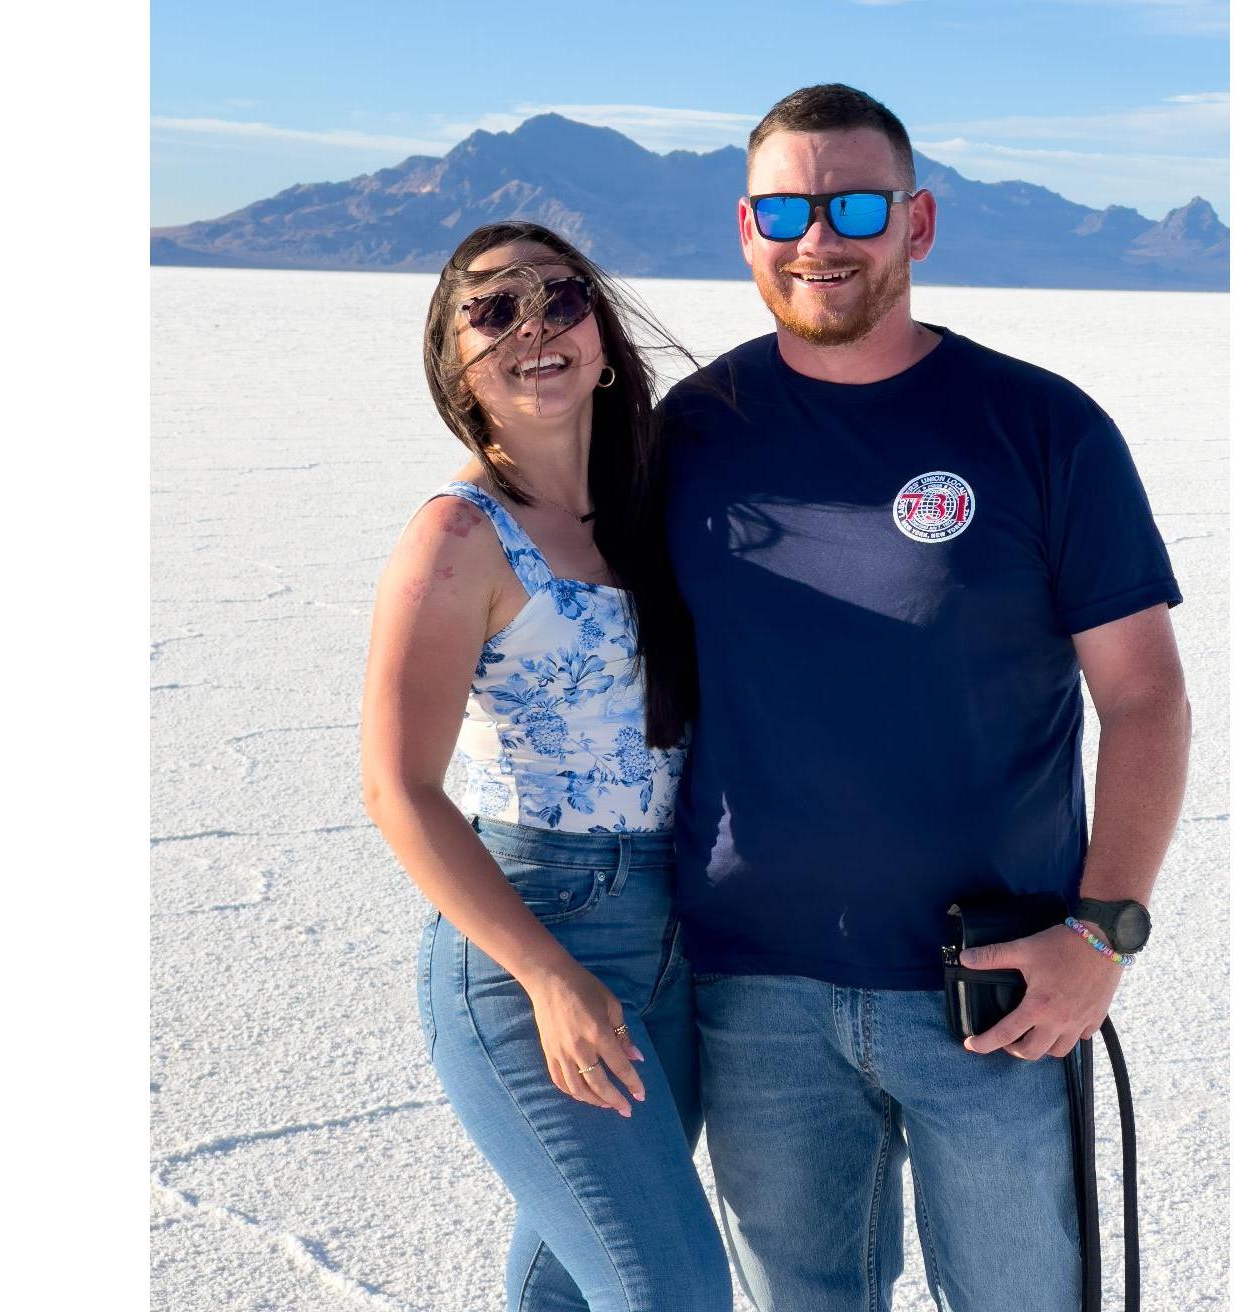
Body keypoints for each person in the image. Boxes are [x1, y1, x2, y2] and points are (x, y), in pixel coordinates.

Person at [652, 84, 1192, 1312]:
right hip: (756, 992)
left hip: (1001, 987)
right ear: (745, 228)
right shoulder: (694, 433)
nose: (818, 241)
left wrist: (1101, 932)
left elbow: (1147, 698)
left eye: (853, 205)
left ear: (917, 222)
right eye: (785, 209)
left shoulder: (1040, 428)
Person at [360, 221, 732, 1312]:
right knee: (673, 1293)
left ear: (604, 341)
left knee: (571, 1282)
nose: (534, 326)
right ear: (455, 362)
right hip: (531, 932)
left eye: (560, 299)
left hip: (672, 932)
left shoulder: (651, 514)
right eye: (491, 309)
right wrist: (549, 977)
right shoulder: (459, 539)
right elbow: (398, 789)